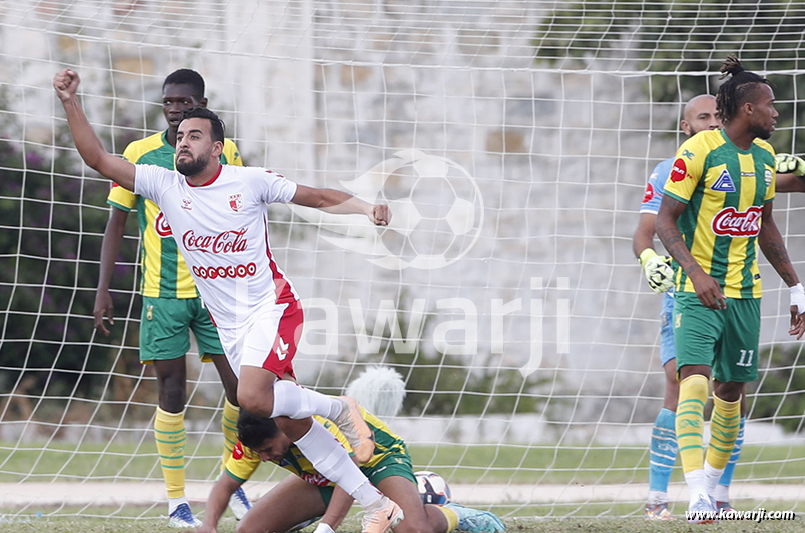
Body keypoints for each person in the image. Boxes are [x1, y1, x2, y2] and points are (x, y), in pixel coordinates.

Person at [54, 68, 403, 533]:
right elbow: (97, 157)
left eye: (194, 135)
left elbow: (317, 198)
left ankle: (340, 408)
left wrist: (365, 207)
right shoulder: (164, 186)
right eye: (179, 136)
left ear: (217, 148)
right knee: (287, 418)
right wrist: (70, 102)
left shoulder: (249, 182)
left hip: (273, 308)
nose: (182, 142)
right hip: (231, 325)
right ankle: (375, 502)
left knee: (251, 398)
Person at [93, 68, 248, 528]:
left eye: (185, 102)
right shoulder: (140, 154)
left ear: (201, 103)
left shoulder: (226, 150)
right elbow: (117, 222)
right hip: (163, 295)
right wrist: (103, 288)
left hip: (217, 289)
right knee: (172, 393)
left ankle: (233, 486)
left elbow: (238, 208)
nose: (176, 109)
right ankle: (176, 500)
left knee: (241, 391)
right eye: (169, 102)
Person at [656, 56, 805, 523]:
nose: (776, 113)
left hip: (746, 294)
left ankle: (716, 489)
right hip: (695, 291)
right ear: (746, 110)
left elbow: (765, 228)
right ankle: (696, 492)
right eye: (769, 105)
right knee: (692, 382)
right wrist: (696, 274)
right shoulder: (698, 150)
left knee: (731, 394)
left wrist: (797, 287)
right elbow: (665, 220)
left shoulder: (763, 160)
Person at [633, 94, 746, 520]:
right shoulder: (669, 171)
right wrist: (649, 259)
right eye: (704, 116)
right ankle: (658, 499)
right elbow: (644, 232)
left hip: (736, 292)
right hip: (683, 292)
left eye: (719, 115)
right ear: (686, 127)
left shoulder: (747, 160)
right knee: (679, 383)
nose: (714, 122)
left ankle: (719, 495)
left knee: (731, 389)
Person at [190, 409, 505, 533]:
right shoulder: (255, 441)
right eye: (259, 453)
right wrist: (208, 526)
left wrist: (328, 526)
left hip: (375, 461)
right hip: (327, 477)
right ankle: (308, 511)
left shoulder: (316, 428)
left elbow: (348, 473)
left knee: (416, 530)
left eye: (269, 448)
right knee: (249, 531)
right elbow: (225, 485)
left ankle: (459, 516)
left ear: (284, 428)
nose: (266, 457)